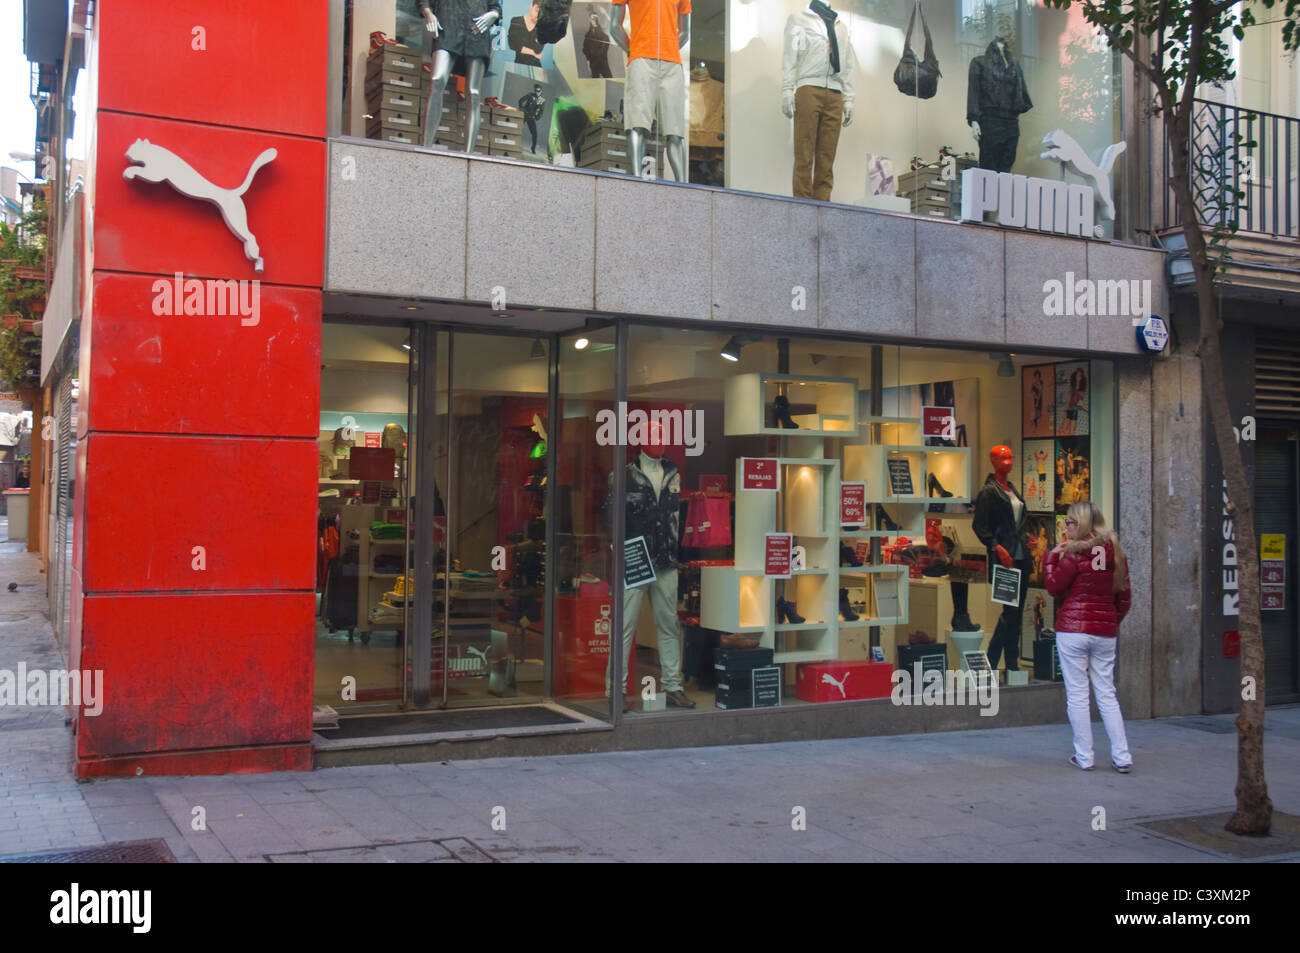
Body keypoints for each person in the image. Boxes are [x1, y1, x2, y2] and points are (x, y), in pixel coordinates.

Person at [1045, 501, 1132, 773]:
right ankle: (1122, 756)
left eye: (1070, 522)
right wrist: (1109, 621)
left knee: (1078, 694)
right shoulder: (1115, 552)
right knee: (1107, 693)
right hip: (1104, 633)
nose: (1066, 527)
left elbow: (1053, 587)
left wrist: (1051, 558)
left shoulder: (1073, 555)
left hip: (1073, 630)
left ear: (1081, 525)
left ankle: (1085, 756)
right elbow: (1125, 597)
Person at [508, 0, 545, 66]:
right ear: (531, 6)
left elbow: (538, 50)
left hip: (536, 67)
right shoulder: (516, 21)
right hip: (519, 64)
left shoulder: (541, 27)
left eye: (541, 13)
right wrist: (533, 53)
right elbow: (512, 45)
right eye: (536, 10)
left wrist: (525, 49)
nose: (537, 15)